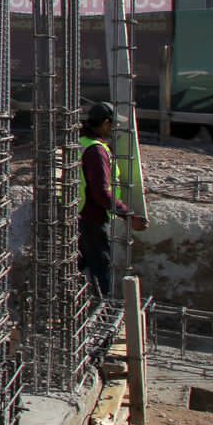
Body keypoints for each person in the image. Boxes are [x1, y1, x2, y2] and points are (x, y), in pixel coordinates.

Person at [78, 100, 148, 298]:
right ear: (106, 123)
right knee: (101, 268)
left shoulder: (81, 143)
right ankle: (102, 313)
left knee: (79, 265)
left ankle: (76, 309)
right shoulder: (96, 151)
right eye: (114, 125)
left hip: (77, 215)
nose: (115, 129)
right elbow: (102, 193)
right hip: (92, 218)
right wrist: (127, 214)